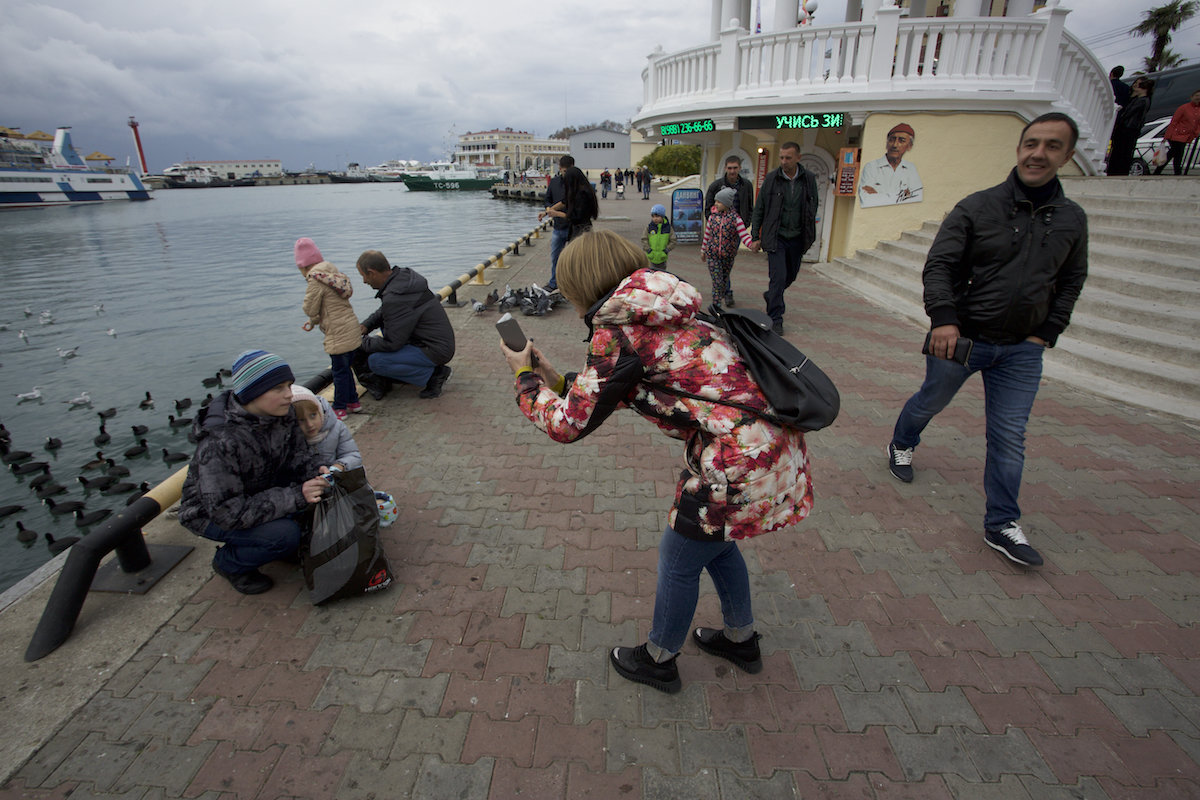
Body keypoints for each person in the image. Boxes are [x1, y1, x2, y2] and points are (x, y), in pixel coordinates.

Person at [500, 229, 812, 693]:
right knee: (717, 542)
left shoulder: (620, 329)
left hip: (736, 458)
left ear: (581, 284)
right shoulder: (659, 304)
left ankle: (659, 659)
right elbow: (623, 386)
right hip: (767, 440)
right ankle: (740, 639)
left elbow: (566, 426)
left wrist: (524, 378)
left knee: (680, 555)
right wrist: (552, 376)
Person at [886, 113, 1089, 568]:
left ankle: (1001, 524)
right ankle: (902, 441)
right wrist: (944, 319)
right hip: (961, 340)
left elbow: (1072, 280)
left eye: (1052, 146)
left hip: (1022, 349)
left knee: (1009, 437)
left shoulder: (1072, 219)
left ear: (1068, 156)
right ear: (1019, 149)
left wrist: (1045, 333)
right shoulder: (977, 207)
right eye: (1031, 143)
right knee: (929, 403)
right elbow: (940, 265)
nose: (1039, 153)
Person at [178, 350, 329, 595]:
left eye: (289, 385)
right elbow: (227, 512)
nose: (289, 394)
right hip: (210, 513)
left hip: (257, 492)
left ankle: (277, 544)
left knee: (317, 501)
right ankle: (229, 563)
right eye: (278, 388)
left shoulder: (283, 414)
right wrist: (297, 496)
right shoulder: (220, 441)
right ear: (252, 392)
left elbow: (297, 456)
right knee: (284, 535)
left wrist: (316, 470)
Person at [355, 251, 455, 400]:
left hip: (434, 349)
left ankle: (433, 375)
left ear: (372, 272)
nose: (364, 281)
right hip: (437, 343)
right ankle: (425, 370)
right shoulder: (403, 280)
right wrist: (366, 325)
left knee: (376, 362)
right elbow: (385, 311)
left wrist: (359, 342)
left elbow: (392, 343)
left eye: (363, 275)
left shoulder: (395, 296)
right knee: (377, 345)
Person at [749, 141, 819, 335]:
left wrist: (809, 232)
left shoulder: (809, 179)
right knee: (778, 278)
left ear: (798, 158)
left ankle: (772, 295)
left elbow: (813, 206)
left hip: (798, 237)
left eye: (788, 158)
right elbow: (760, 209)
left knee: (790, 276)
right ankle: (775, 318)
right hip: (776, 237)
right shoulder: (772, 179)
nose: (784, 161)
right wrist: (756, 236)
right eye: (781, 157)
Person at [294, 237, 362, 420]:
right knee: (346, 369)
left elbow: (310, 307)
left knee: (338, 372)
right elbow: (329, 306)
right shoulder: (333, 274)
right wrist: (314, 321)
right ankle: (353, 402)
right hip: (351, 328)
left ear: (304, 266)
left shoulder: (315, 280)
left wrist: (310, 316)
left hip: (337, 333)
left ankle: (339, 408)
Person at [700, 187, 754, 306]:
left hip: (728, 256)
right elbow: (707, 235)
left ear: (727, 203)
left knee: (724, 282)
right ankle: (716, 306)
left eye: (719, 201)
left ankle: (718, 302)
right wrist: (703, 250)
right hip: (712, 255)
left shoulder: (736, 219)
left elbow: (744, 235)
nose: (716, 204)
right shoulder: (712, 218)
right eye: (716, 201)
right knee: (717, 282)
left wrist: (752, 245)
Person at [290, 385, 362, 472]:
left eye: (313, 415)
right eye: (301, 420)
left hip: (337, 478)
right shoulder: (289, 441)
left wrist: (340, 465)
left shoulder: (337, 428)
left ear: (320, 411)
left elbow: (352, 454)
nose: (309, 424)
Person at [858, 123, 924, 207]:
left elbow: (917, 197)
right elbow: (866, 200)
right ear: (886, 144)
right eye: (892, 140)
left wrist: (879, 195)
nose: (895, 145)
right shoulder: (871, 167)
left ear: (909, 146)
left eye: (901, 140)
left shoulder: (911, 168)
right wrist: (902, 196)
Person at [538, 155, 575, 290]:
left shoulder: (576, 185)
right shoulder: (554, 182)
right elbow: (548, 200)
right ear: (560, 169)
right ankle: (554, 282)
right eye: (564, 171)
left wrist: (555, 212)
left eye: (568, 171)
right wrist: (548, 210)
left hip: (573, 228)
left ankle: (572, 285)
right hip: (558, 227)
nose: (566, 174)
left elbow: (571, 207)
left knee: (573, 259)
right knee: (555, 257)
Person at [1106, 77, 1154, 176]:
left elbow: (1127, 114)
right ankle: (1117, 170)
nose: (1136, 87)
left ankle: (1117, 171)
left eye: (1139, 86)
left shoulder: (1142, 101)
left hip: (1128, 130)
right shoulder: (1139, 100)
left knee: (1122, 153)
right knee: (1121, 152)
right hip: (1128, 130)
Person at [1152, 89, 1200, 176]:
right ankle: (1177, 172)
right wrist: (1167, 136)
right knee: (1178, 153)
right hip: (1176, 135)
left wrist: (1196, 133)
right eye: (1196, 95)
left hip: (1186, 136)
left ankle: (1159, 171)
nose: (1198, 98)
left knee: (1173, 153)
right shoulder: (1183, 108)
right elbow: (1174, 121)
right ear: (1191, 97)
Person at [543, 166, 599, 241]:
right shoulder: (579, 191)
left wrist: (556, 213)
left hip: (581, 231)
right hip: (579, 229)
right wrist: (547, 212)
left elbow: (576, 216)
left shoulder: (583, 194)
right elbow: (564, 202)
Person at [704, 155, 754, 226]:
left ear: (740, 168)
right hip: (720, 229)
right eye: (729, 168)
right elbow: (708, 209)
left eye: (735, 168)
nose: (732, 171)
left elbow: (750, 207)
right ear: (725, 168)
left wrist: (746, 223)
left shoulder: (746, 185)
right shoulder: (715, 186)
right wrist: (715, 225)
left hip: (739, 227)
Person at [640, 203, 677, 269]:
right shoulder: (649, 227)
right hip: (651, 257)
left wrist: (666, 250)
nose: (655, 219)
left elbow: (673, 240)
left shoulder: (668, 228)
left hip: (662, 258)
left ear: (662, 216)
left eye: (657, 216)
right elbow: (644, 239)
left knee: (661, 274)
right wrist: (648, 250)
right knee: (651, 274)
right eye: (653, 217)